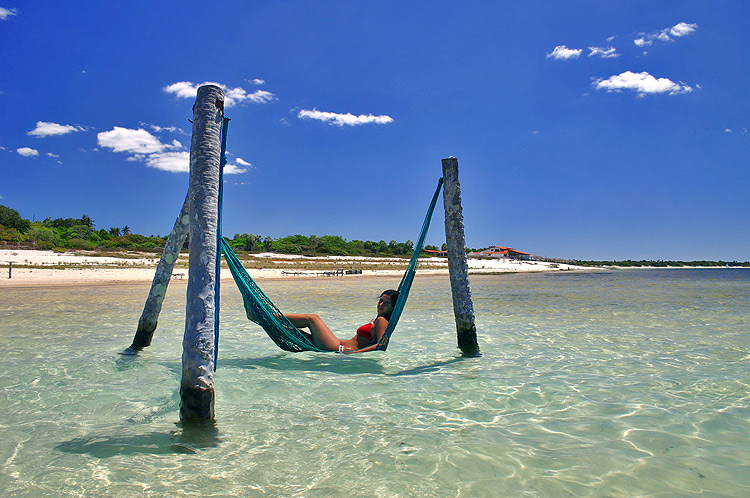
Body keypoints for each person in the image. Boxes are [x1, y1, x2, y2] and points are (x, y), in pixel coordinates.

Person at [284, 289, 399, 352]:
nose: (381, 304)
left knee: (312, 318)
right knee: (290, 331)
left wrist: (353, 354)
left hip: (340, 348)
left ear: (393, 308)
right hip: (338, 344)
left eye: (386, 303)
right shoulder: (376, 319)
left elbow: (381, 345)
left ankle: (273, 314)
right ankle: (272, 317)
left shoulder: (382, 321)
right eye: (381, 300)